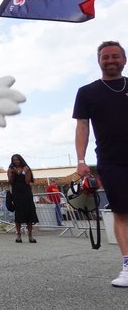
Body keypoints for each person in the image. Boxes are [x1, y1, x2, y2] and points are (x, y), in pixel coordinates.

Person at [73, 41, 128, 288]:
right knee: (122, 213)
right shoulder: (87, 92)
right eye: (105, 57)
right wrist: (82, 160)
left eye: (115, 56)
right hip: (111, 161)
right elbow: (82, 125)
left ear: (124, 60)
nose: (110, 60)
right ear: (99, 62)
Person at [7, 154, 39, 243]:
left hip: (26, 193)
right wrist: (12, 173)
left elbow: (27, 181)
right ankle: (18, 235)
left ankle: (30, 235)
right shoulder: (10, 169)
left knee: (29, 213)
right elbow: (10, 182)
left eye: (17, 159)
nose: (16, 161)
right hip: (16, 193)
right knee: (18, 214)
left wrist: (26, 172)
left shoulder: (26, 168)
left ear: (21, 160)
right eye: (14, 160)